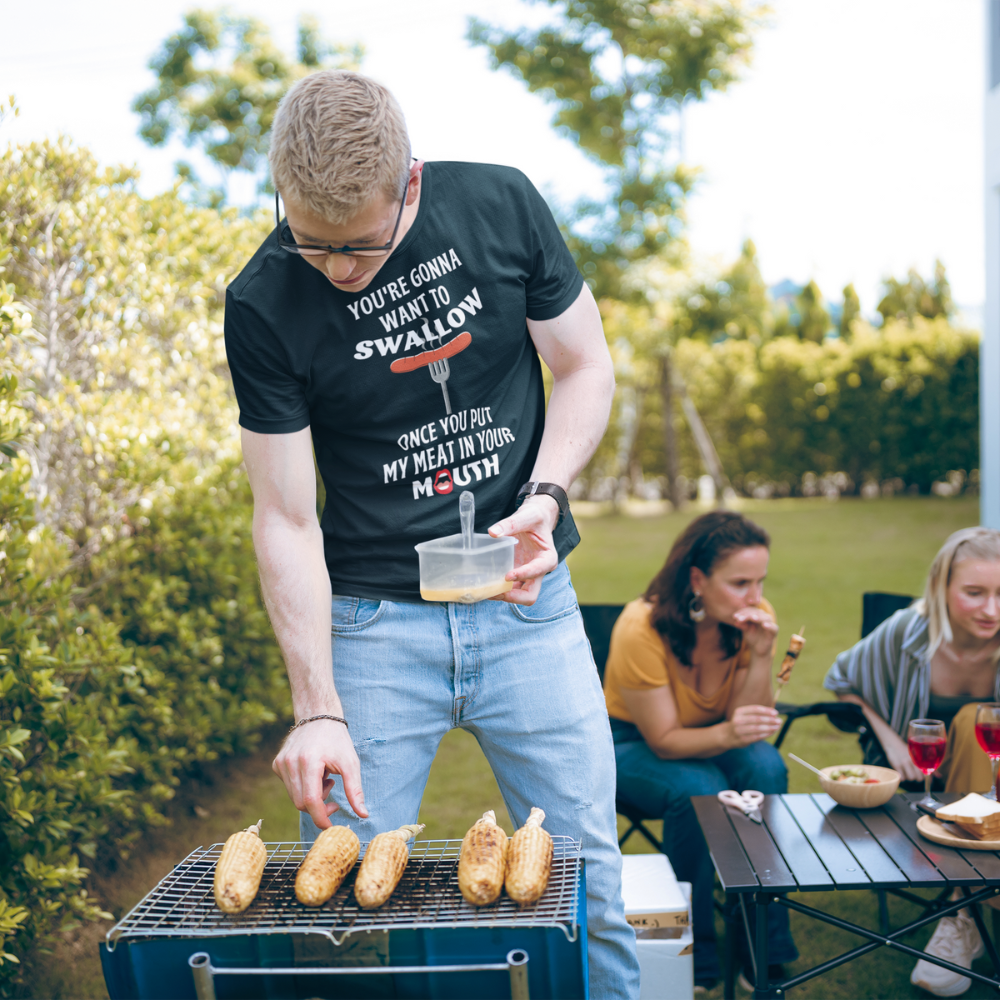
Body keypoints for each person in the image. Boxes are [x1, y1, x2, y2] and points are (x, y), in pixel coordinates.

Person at [224, 70, 639, 997]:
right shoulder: (261, 301)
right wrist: (316, 705)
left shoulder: (499, 204)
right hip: (372, 633)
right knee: (340, 918)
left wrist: (548, 493)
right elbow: (286, 517)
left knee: (588, 887)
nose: (334, 269)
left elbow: (583, 365)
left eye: (359, 246)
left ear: (410, 181)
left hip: (527, 606)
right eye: (311, 242)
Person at [603, 510, 798, 991]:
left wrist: (762, 654)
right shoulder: (640, 627)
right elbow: (665, 740)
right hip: (633, 742)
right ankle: (694, 950)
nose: (756, 598)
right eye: (740, 583)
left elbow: (749, 730)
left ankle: (762, 942)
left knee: (767, 768)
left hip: (717, 733)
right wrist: (729, 735)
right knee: (698, 788)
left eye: (760, 582)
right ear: (697, 579)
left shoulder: (755, 619)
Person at [824, 526, 1000, 997]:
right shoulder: (908, 630)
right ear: (942, 589)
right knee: (970, 718)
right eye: (974, 593)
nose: (991, 610)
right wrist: (890, 737)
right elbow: (841, 678)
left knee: (972, 719)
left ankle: (966, 911)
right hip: (922, 784)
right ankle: (968, 910)